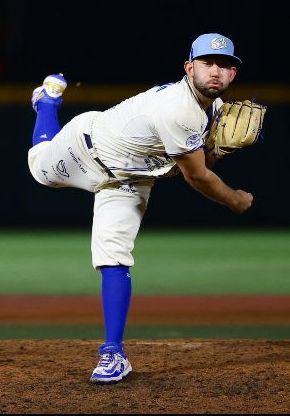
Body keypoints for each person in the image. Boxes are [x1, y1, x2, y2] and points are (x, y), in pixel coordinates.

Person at [27, 33, 254, 384]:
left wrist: (217, 152)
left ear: (233, 75)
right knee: (39, 166)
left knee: (114, 255)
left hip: (131, 179)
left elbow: (197, 163)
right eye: (208, 63)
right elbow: (196, 177)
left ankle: (112, 354)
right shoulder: (180, 110)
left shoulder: (217, 110)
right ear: (189, 68)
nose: (216, 71)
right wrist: (235, 199)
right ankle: (46, 104)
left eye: (224, 66)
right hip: (87, 150)